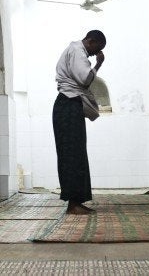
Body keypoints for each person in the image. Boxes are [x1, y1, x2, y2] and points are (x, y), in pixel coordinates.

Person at [52, 30, 106, 215]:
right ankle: (73, 204)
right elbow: (84, 79)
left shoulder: (75, 50)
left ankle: (75, 202)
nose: (94, 54)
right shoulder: (77, 51)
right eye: (96, 49)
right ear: (91, 41)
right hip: (68, 104)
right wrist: (98, 64)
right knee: (72, 154)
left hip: (69, 104)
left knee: (75, 153)